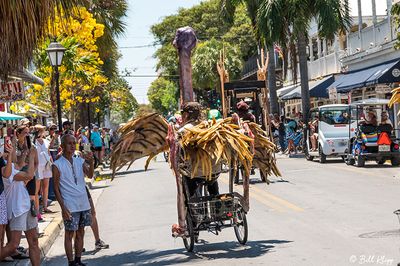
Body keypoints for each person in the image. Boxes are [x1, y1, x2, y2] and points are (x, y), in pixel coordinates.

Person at [53, 134, 94, 266]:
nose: (72, 146)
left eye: (74, 143)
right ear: (62, 146)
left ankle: (78, 260)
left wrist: (91, 162)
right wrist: (63, 208)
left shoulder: (79, 161)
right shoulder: (57, 165)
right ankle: (71, 263)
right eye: (69, 143)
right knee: (69, 234)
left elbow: (90, 175)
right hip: (70, 205)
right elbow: (56, 188)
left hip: (83, 203)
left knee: (81, 232)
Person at [0, 144, 40, 266]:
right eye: (9, 150)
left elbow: (21, 165)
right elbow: (29, 175)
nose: (13, 151)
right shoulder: (4, 170)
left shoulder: (12, 166)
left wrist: (26, 153)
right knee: (13, 245)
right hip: (16, 209)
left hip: (26, 207)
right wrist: (32, 157)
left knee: (34, 242)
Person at [34, 125, 53, 214]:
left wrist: (51, 161)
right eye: (41, 130)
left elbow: (48, 152)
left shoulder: (46, 141)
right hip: (37, 166)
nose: (42, 132)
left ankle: (45, 207)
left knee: (46, 187)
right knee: (37, 189)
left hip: (46, 165)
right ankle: (37, 210)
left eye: (43, 130)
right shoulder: (32, 141)